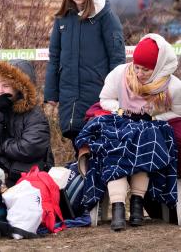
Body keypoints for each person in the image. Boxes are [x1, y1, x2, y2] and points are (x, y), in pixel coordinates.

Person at [75, 33, 181, 231]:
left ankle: (137, 204)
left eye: (146, 69)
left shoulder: (173, 87)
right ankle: (118, 207)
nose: (139, 73)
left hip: (150, 128)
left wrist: (154, 117)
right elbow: (105, 99)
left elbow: (177, 112)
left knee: (146, 140)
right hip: (120, 123)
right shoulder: (120, 74)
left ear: (158, 67)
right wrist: (123, 111)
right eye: (137, 66)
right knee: (115, 144)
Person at [44, 0, 126, 148]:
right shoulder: (62, 19)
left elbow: (117, 59)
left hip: (97, 96)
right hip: (68, 99)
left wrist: (115, 93)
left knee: (96, 150)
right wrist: (51, 93)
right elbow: (54, 57)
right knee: (78, 148)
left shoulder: (106, 17)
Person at [0, 59, 54, 186]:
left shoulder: (35, 115)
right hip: (5, 168)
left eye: (5, 86)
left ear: (19, 88)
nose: (0, 91)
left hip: (27, 172)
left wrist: (1, 146)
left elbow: (29, 148)